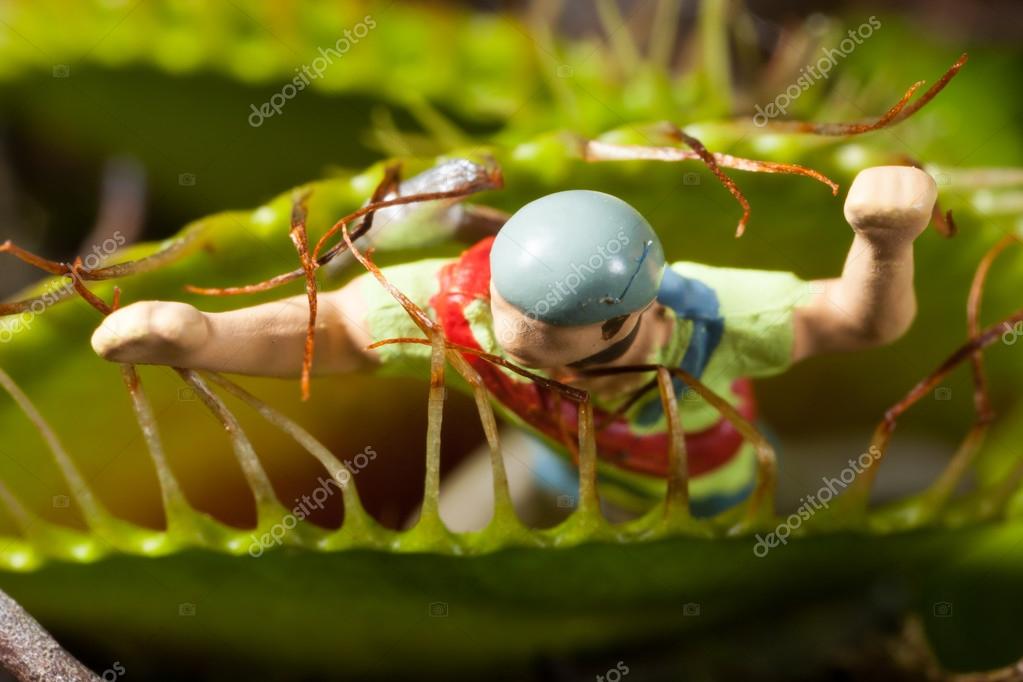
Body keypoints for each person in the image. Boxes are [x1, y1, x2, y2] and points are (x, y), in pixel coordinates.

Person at [90, 164, 937, 517]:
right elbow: (342, 326)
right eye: (503, 310)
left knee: (877, 483)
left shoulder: (709, 317)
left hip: (724, 483)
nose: (505, 339)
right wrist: (198, 334)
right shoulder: (459, 307)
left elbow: (856, 321)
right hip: (553, 470)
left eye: (543, 334)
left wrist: (882, 240)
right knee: (448, 548)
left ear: (619, 321)